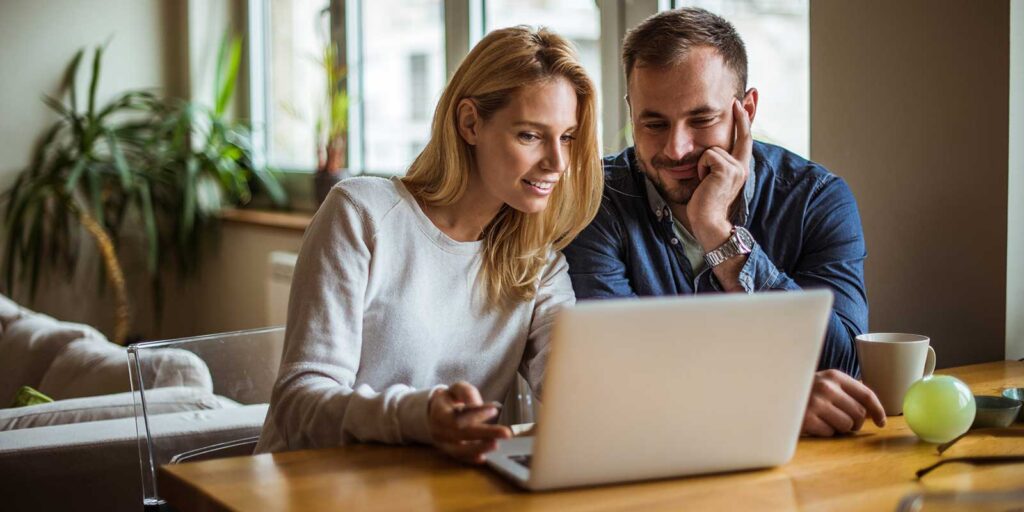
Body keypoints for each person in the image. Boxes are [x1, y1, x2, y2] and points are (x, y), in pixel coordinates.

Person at [256, 26, 603, 463]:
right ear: (470, 123)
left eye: (567, 137)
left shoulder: (539, 263)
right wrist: (417, 417)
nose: (557, 162)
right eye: (530, 136)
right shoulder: (362, 214)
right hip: (311, 486)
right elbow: (297, 404)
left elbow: (572, 387)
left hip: (436, 490)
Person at [562, 8, 886, 437]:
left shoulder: (816, 200)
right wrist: (773, 398)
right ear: (631, 111)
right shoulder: (595, 199)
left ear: (745, 110)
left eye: (701, 120)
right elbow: (614, 373)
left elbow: (843, 367)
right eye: (654, 123)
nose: (676, 149)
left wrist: (719, 234)